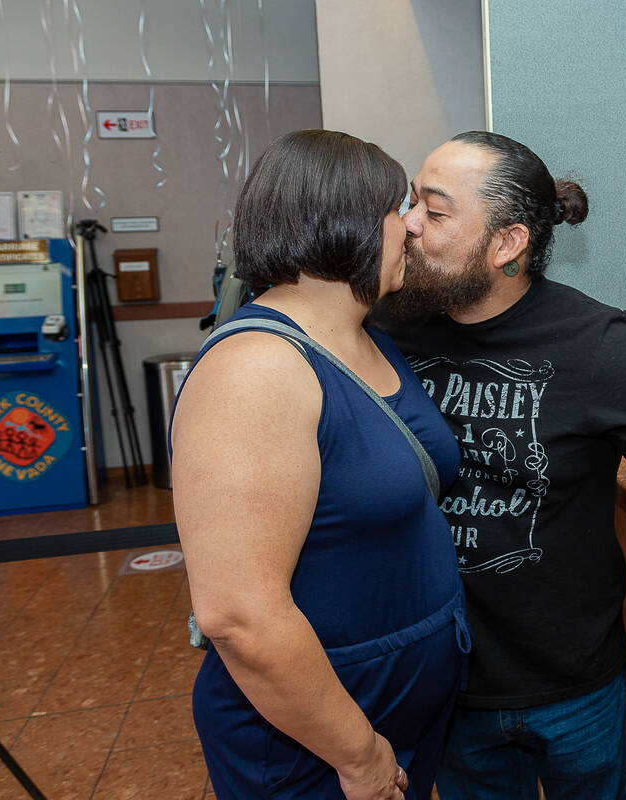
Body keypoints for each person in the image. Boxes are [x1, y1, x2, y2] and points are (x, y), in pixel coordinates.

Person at [380, 131, 626, 799]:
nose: (408, 224)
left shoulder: (597, 344)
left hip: (574, 684)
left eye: (434, 212)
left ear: (507, 243)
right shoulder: (386, 330)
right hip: (447, 680)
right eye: (413, 203)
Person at [171, 130, 468, 800]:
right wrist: (357, 755)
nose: (414, 229)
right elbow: (239, 616)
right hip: (316, 738)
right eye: (401, 209)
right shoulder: (256, 369)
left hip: (395, 710)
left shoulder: (370, 339)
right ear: (346, 226)